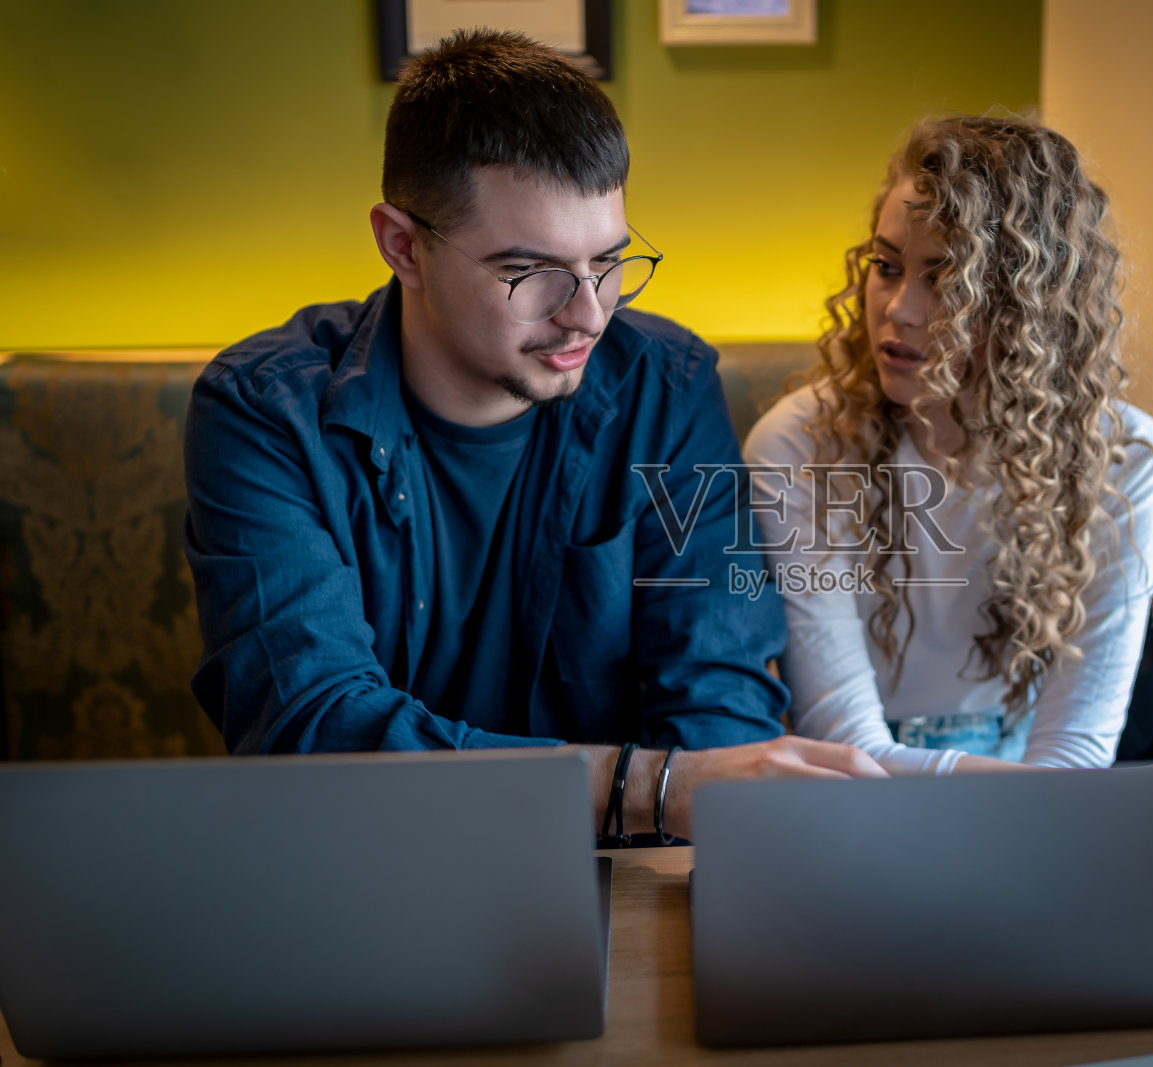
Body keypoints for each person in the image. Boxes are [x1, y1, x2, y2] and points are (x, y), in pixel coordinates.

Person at [183, 29, 884, 842]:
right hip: (361, 873)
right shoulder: (263, 414)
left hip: (616, 879)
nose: (589, 312)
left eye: (610, 261)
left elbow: (715, 703)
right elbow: (315, 731)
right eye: (529, 272)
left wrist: (679, 802)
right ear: (402, 245)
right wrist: (642, 784)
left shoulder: (666, 385)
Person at [743, 115, 1153, 774]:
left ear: (1027, 303)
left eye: (946, 278)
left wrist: (1079, 803)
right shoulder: (799, 443)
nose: (899, 308)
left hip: (1032, 791)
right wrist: (1128, 797)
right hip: (861, 799)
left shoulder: (1129, 460)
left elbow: (1075, 752)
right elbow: (847, 750)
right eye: (886, 266)